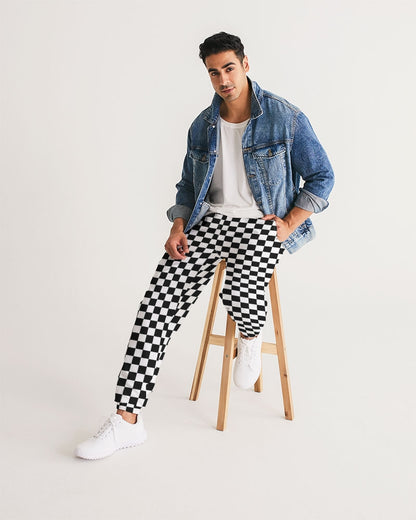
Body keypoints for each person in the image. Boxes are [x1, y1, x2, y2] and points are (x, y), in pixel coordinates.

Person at [75, 31, 335, 460]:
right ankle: (127, 422)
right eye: (214, 72)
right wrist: (178, 227)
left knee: (239, 286)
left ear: (245, 64)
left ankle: (249, 336)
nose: (223, 79)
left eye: (229, 68)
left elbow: (323, 176)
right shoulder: (203, 125)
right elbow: (186, 186)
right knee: (155, 307)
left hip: (261, 224)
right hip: (208, 224)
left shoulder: (285, 118)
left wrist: (289, 223)